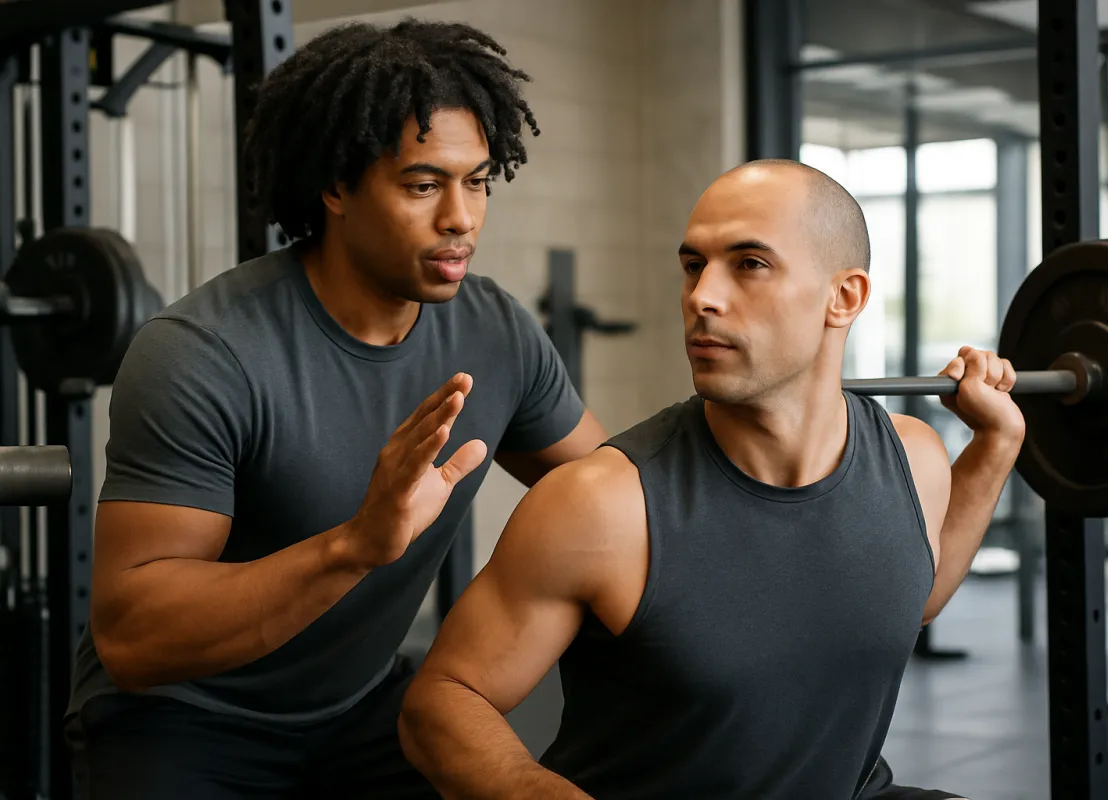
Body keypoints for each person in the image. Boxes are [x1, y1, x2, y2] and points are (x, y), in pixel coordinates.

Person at [64, 18, 607, 800]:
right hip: (182, 718)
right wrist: (355, 545)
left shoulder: (496, 332)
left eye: (479, 180)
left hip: (357, 710)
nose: (463, 216)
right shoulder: (203, 352)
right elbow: (131, 638)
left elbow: (610, 492)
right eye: (424, 185)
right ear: (337, 186)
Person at [398, 159, 1026, 800]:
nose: (702, 296)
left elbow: (907, 595)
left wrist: (998, 443)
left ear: (845, 298)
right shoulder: (604, 505)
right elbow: (442, 701)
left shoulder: (913, 456)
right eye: (694, 265)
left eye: (749, 264)